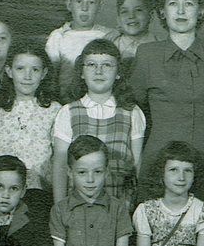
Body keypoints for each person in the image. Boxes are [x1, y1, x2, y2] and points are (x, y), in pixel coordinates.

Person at [129, 0, 204, 205]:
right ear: (162, 11)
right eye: (173, 3)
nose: (181, 11)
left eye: (189, 4)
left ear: (201, 10)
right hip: (159, 162)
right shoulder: (146, 55)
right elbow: (133, 109)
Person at [52, 39, 145, 204]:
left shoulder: (132, 112)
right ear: (81, 72)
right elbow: (60, 164)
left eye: (107, 65)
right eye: (91, 65)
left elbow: (137, 163)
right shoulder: (68, 112)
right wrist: (59, 208)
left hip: (120, 205)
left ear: (118, 72)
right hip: (78, 206)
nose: (99, 71)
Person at [0, 42, 60, 209]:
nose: (27, 76)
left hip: (40, 192)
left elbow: (60, 158)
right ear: (9, 71)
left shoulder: (55, 110)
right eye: (20, 69)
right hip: (3, 192)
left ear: (44, 73)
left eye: (35, 70)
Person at [44, 0, 115, 99]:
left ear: (100, 6)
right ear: (69, 5)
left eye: (91, 2)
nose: (84, 8)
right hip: (65, 98)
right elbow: (50, 74)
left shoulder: (108, 35)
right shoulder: (58, 36)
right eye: (79, 1)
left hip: (98, 98)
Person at [109, 0, 158, 73]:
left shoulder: (160, 46)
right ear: (118, 19)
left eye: (138, 10)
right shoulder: (111, 45)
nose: (131, 16)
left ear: (151, 16)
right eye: (124, 11)